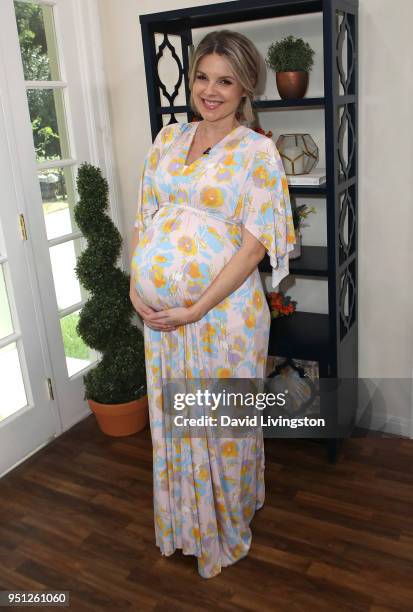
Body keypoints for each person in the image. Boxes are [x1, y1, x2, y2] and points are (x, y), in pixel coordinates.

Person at [129, 29, 296, 579]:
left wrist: (196, 308)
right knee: (175, 424)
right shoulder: (167, 139)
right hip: (164, 324)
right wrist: (137, 285)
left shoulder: (258, 152)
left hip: (223, 320)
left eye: (225, 80)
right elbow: (144, 217)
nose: (211, 90)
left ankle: (224, 524)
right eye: (203, 76)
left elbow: (253, 248)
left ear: (246, 85)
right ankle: (182, 524)